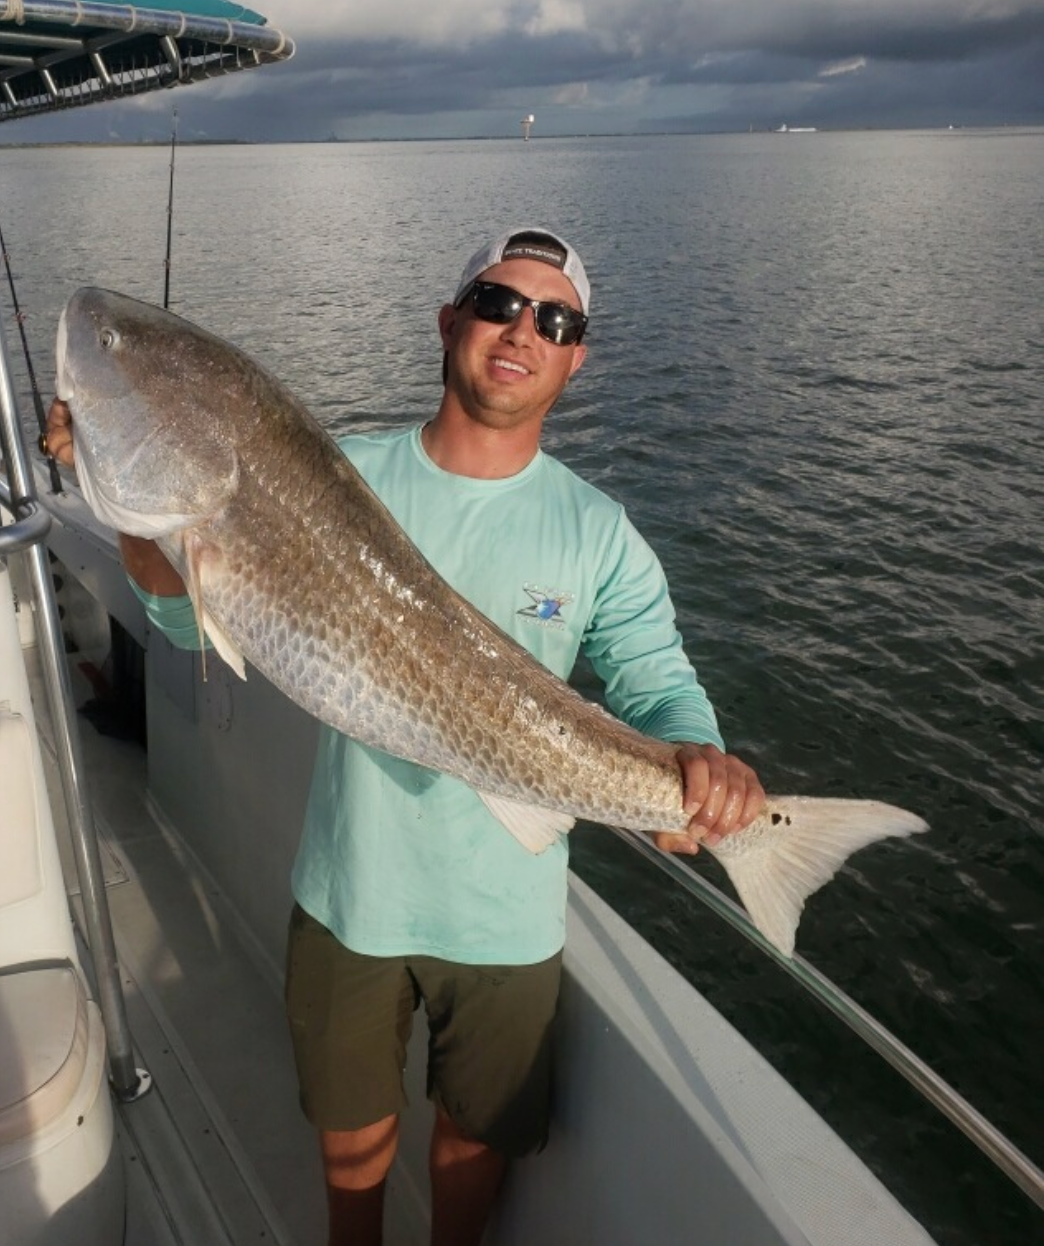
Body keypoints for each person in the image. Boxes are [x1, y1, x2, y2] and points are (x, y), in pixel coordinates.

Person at [44, 226, 765, 1246]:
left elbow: (658, 682)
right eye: (498, 304)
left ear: (575, 359)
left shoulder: (596, 530)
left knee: (474, 1137)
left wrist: (700, 765)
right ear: (449, 320)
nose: (522, 331)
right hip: (352, 888)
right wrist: (126, 504)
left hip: (508, 912)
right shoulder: (338, 474)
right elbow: (183, 619)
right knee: (351, 1128)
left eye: (555, 322)